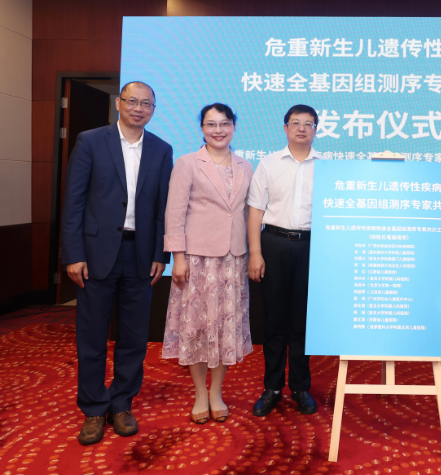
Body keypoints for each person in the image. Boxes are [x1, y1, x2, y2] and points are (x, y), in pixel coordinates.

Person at [61, 81, 173, 445]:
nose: (139, 108)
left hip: (140, 255)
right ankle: (94, 408)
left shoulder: (161, 149)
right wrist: (73, 254)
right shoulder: (91, 141)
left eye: (146, 104)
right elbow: (74, 202)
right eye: (132, 101)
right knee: (92, 336)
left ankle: (122, 403)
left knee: (134, 337)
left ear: (153, 110)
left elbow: (162, 209)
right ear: (118, 104)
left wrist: (160, 254)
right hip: (95, 255)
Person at [162, 103, 254, 424]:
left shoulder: (245, 165)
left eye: (224, 123)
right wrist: (178, 257)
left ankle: (217, 392)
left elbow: (246, 212)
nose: (218, 130)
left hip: (233, 259)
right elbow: (174, 213)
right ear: (201, 128)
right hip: (197, 259)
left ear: (234, 126)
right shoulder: (188, 163)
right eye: (211, 124)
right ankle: (200, 393)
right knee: (198, 328)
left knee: (225, 328)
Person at [247, 104, 322, 417]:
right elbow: (255, 210)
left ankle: (301, 387)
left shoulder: (326, 166)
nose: (301, 128)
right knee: (275, 320)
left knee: (303, 323)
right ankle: (273, 387)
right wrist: (255, 253)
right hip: (274, 244)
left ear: (316, 129)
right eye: (295, 123)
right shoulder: (268, 163)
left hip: (311, 246)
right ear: (285, 128)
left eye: (308, 123)